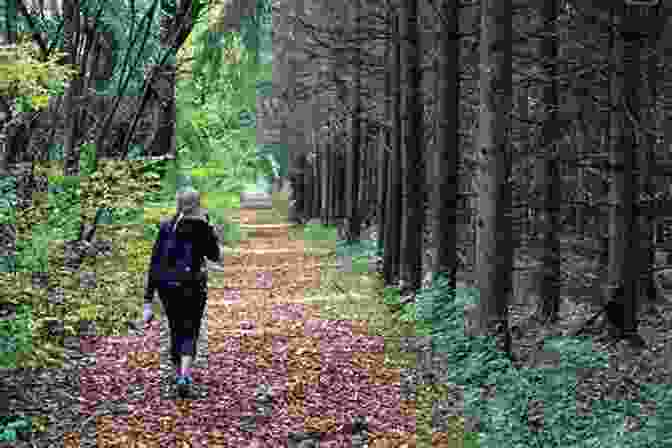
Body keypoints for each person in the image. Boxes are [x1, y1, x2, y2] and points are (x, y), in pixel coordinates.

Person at [143, 188, 221, 397]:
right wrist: (212, 231)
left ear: (178, 204)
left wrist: (148, 301)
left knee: (175, 328)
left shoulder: (166, 226)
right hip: (193, 286)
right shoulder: (203, 227)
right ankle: (184, 376)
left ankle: (179, 374)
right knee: (191, 329)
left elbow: (155, 263)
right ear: (197, 204)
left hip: (168, 288)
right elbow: (214, 256)